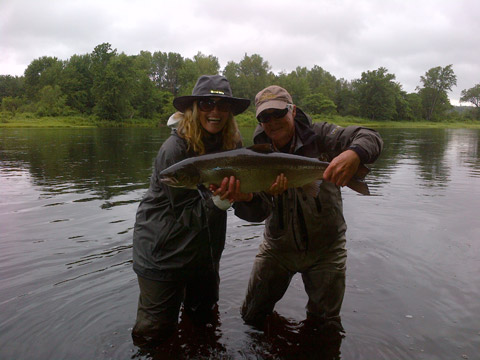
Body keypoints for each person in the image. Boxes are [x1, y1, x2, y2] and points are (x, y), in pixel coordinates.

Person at [224, 85, 383, 337]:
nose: (272, 122)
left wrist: (354, 154)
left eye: (278, 113)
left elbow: (370, 136)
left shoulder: (322, 135)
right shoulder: (255, 154)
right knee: (251, 317)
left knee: (325, 327)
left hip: (327, 249)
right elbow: (256, 214)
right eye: (265, 117)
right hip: (278, 248)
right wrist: (243, 199)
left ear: (293, 110)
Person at [131, 75, 250, 344]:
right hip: (163, 254)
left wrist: (252, 197)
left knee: (204, 327)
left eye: (222, 105)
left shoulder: (233, 146)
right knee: (154, 335)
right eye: (207, 103)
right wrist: (221, 201)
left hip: (205, 255)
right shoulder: (173, 150)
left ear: (230, 111)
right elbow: (185, 216)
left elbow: (254, 211)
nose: (215, 112)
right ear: (194, 108)